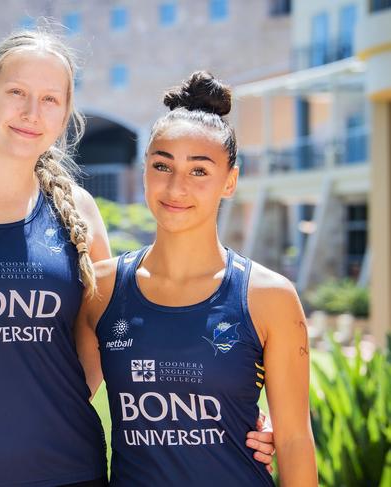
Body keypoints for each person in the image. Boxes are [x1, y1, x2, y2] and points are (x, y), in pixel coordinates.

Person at [0, 30, 275, 487]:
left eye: (50, 100)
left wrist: (240, 422)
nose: (31, 113)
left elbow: (126, 337)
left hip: (70, 471)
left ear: (64, 116)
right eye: (16, 92)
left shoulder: (79, 210)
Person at [75, 71, 317, 486]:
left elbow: (294, 441)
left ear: (230, 181)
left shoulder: (268, 296)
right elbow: (58, 408)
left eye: (199, 171)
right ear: (145, 170)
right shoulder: (101, 290)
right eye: (162, 165)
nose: (176, 187)